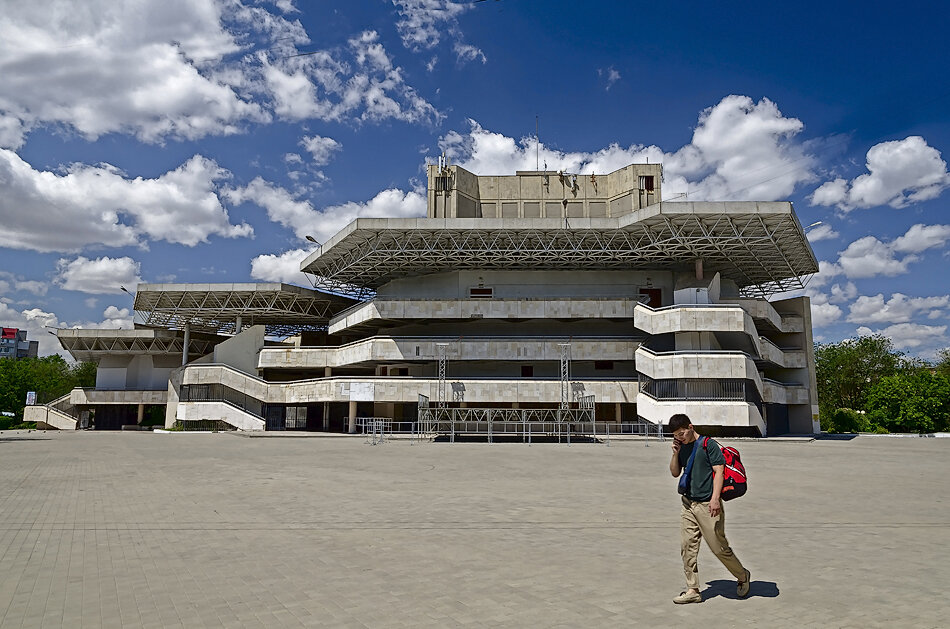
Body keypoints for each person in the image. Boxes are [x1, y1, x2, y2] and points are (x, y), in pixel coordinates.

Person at [668, 413, 750, 604]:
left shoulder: (708, 444)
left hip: (707, 504)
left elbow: (719, 471)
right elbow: (674, 473)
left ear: (690, 426)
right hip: (688, 503)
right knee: (687, 546)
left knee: (718, 547)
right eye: (676, 435)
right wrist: (675, 453)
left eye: (682, 433)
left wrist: (715, 499)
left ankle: (743, 575)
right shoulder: (681, 447)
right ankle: (693, 589)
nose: (680, 437)